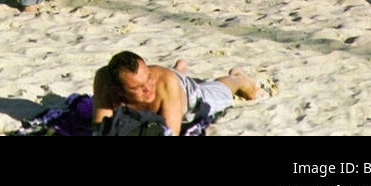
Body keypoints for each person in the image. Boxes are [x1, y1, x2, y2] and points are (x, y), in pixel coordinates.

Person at [92, 52, 258, 134]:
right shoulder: (104, 82)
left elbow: (171, 132)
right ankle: (180, 69)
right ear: (117, 90)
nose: (148, 89)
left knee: (223, 93)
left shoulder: (164, 83)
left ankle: (238, 78)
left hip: (185, 96)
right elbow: (100, 129)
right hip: (170, 81)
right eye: (137, 88)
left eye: (149, 78)